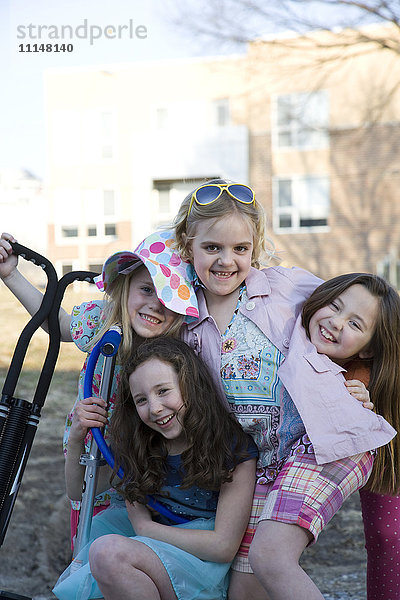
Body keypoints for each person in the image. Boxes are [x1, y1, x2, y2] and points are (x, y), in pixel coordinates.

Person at [172, 179, 396, 600]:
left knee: (271, 557)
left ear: (254, 248)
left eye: (240, 249)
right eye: (212, 248)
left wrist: (359, 386)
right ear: (188, 245)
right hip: (256, 467)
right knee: (245, 592)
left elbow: (355, 329)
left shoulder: (284, 288)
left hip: (322, 443)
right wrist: (12, 276)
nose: (226, 260)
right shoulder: (178, 312)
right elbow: (91, 323)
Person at [0, 230, 199, 545]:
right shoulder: (104, 321)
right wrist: (11, 274)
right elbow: (58, 324)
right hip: (90, 450)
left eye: (168, 299)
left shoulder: (179, 346)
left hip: (147, 461)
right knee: (91, 535)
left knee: (140, 544)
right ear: (125, 286)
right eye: (146, 289)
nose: (155, 305)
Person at [52, 337, 257, 600]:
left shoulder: (231, 447)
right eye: (141, 400)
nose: (155, 408)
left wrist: (147, 530)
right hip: (151, 553)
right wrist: (76, 439)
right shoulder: (141, 445)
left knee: (107, 553)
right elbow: (77, 492)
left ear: (190, 385)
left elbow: (223, 547)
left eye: (163, 391)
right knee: (100, 553)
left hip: (202, 567)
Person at [301, 274, 400, 600]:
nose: (336, 323)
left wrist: (362, 406)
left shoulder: (364, 380)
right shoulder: (288, 333)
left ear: (369, 349)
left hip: (387, 433)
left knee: (388, 535)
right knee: (385, 536)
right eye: (335, 306)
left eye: (355, 324)